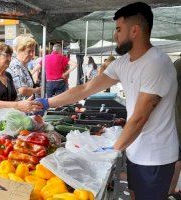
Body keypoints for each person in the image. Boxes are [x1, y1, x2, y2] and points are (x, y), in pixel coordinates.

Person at [36, 2, 178, 200]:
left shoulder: (157, 64)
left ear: (135, 30)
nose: (115, 35)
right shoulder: (123, 63)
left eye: (119, 29)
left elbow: (140, 117)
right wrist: (47, 103)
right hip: (136, 150)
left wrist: (112, 151)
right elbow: (85, 88)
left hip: (155, 156)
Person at [168, 54, 181, 198]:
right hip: (178, 120)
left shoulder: (177, 64)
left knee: (178, 159)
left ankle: (170, 191)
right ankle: (170, 191)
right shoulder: (178, 65)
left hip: (178, 121)